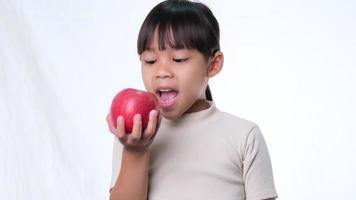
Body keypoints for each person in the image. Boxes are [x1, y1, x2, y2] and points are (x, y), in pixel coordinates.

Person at [106, 0, 278, 199]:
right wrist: (135, 152)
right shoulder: (134, 134)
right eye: (150, 61)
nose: (161, 71)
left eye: (178, 59)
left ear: (213, 65)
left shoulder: (244, 136)